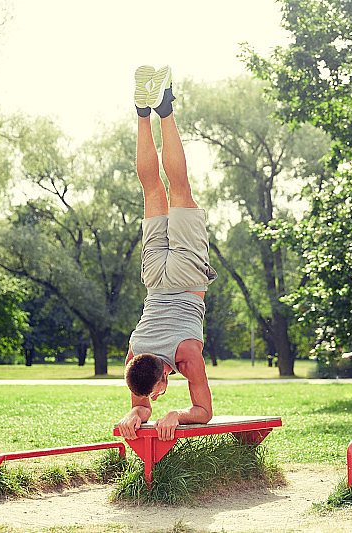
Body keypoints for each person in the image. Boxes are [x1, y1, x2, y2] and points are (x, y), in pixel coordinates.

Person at [117, 65, 217, 443]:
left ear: (162, 373)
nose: (156, 398)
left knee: (179, 188)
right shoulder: (134, 357)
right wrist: (133, 412)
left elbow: (204, 413)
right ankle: (142, 113)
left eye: (158, 391)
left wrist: (177, 413)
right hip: (155, 279)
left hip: (188, 278)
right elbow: (141, 405)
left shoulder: (187, 356)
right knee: (152, 192)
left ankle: (164, 107)